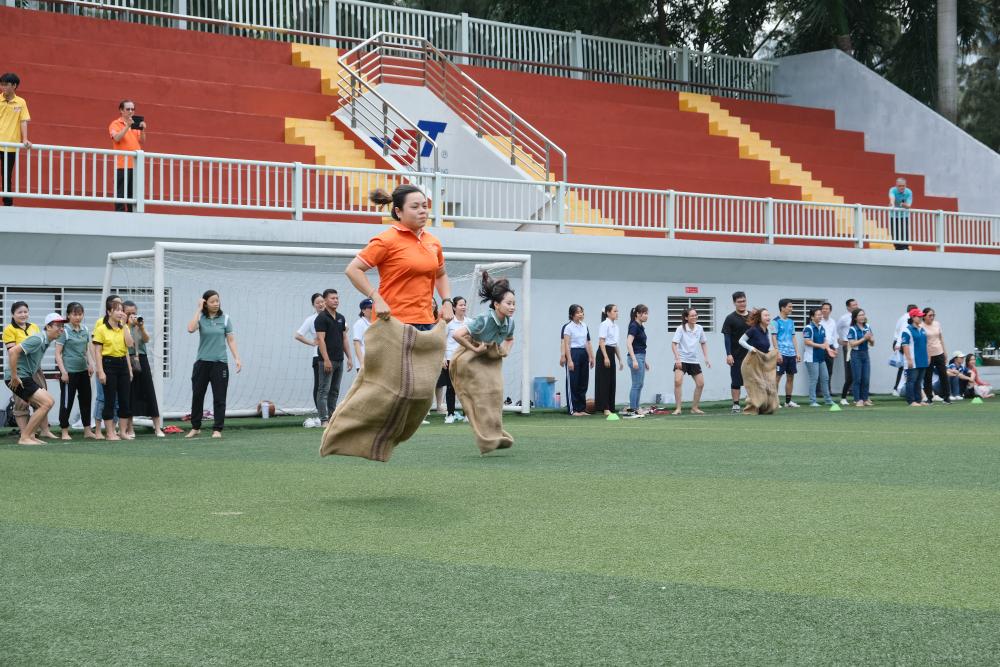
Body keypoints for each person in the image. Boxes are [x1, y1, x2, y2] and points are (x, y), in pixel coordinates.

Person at [327, 185, 453, 462]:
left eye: (424, 205)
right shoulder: (387, 240)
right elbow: (353, 269)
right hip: (392, 325)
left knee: (420, 394)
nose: (422, 211)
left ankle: (385, 439)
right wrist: (375, 296)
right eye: (415, 206)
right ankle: (343, 430)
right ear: (398, 211)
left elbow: (441, 274)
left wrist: (446, 300)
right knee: (388, 389)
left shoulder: (433, 241)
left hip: (426, 326)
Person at [449, 272, 516, 454]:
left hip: (490, 358)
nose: (512, 307)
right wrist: (474, 348)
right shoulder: (483, 320)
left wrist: (506, 351)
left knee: (496, 394)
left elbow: (510, 339)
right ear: (496, 304)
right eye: (508, 303)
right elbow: (457, 335)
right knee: (476, 397)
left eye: (513, 304)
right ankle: (484, 438)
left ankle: (494, 434)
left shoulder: (510, 323)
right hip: (469, 358)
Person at [186, 290, 242, 438]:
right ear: (205, 303)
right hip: (202, 363)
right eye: (212, 301)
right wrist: (198, 309)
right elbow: (190, 329)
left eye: (217, 301)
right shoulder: (201, 318)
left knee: (219, 397)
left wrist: (237, 358)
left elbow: (231, 340)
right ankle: (195, 427)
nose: (216, 304)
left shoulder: (225, 319)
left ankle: (217, 429)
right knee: (197, 395)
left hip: (220, 364)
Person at [4, 313, 65, 445]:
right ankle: (25, 437)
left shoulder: (46, 340)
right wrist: (14, 376)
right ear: (48, 327)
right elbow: (13, 351)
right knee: (46, 403)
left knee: (47, 402)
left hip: (25, 376)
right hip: (18, 377)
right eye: (58, 326)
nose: (61, 329)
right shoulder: (38, 339)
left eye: (62, 326)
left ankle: (30, 435)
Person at [93, 297, 135, 440]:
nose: (120, 313)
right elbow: (98, 352)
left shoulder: (124, 327)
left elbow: (129, 345)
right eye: (116, 310)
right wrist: (100, 371)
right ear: (109, 312)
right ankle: (110, 432)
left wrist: (124, 326)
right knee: (109, 399)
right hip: (108, 364)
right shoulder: (101, 329)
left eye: (121, 310)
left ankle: (122, 432)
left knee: (124, 400)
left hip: (122, 364)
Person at [54, 302, 96, 440]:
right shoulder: (64, 331)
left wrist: (91, 364)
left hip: (83, 371)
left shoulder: (85, 329)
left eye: (80, 314)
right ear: (68, 315)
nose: (78, 317)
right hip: (69, 372)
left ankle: (87, 430)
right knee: (67, 402)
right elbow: (58, 354)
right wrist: (63, 372)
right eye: (74, 314)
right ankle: (65, 431)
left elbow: (86, 350)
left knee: (86, 400)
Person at [123, 300, 165, 438]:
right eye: (128, 313)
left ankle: (157, 427)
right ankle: (130, 428)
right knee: (129, 394)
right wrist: (126, 324)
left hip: (142, 358)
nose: (132, 316)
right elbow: (127, 342)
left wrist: (140, 327)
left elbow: (146, 339)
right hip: (127, 359)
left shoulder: (138, 326)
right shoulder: (121, 327)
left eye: (134, 313)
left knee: (149, 391)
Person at [314, 288, 352, 427]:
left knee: (334, 391)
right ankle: (324, 419)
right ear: (325, 300)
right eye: (332, 298)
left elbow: (344, 338)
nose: (336, 300)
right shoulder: (321, 318)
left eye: (337, 298)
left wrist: (349, 357)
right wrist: (326, 360)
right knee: (324, 390)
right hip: (326, 361)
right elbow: (321, 340)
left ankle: (332, 418)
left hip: (339, 360)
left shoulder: (341, 317)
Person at [90, 294, 123, 439]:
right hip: (104, 366)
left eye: (121, 306)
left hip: (118, 367)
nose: (119, 310)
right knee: (102, 398)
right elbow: (94, 345)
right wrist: (98, 367)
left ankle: (112, 429)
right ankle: (97, 429)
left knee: (116, 399)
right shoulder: (100, 324)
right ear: (109, 309)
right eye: (116, 306)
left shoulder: (122, 326)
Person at [671, 307, 711, 414]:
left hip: (694, 360)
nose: (694, 317)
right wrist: (677, 359)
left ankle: (694, 407)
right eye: (692, 315)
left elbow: (703, 342)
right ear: (686, 317)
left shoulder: (700, 328)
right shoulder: (680, 328)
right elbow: (674, 344)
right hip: (682, 359)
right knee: (677, 381)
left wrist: (706, 358)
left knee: (700, 383)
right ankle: (678, 408)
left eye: (695, 315)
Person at [108, 100, 146, 213]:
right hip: (122, 164)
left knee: (133, 192)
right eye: (128, 109)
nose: (131, 111)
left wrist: (143, 130)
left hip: (135, 165)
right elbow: (117, 138)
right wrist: (127, 126)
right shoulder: (115, 124)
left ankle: (131, 213)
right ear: (121, 110)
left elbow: (142, 141)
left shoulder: (135, 124)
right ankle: (120, 214)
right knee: (121, 191)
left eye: (132, 109)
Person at [738, 308, 777, 415]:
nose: (768, 317)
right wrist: (750, 348)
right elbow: (741, 341)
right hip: (750, 363)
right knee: (756, 386)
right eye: (765, 315)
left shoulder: (766, 331)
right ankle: (750, 409)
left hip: (760, 363)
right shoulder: (753, 329)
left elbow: (764, 347)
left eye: (769, 315)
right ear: (760, 318)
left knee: (765, 386)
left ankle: (764, 408)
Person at [1, 72, 31, 207]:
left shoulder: (21, 102)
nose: (3, 87)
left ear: (14, 86)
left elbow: (23, 121)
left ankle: (7, 204)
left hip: (10, 145)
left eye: (6, 85)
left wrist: (25, 139)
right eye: (1, 84)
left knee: (6, 176)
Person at [294, 293, 324, 428]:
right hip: (318, 357)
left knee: (331, 388)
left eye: (323, 301)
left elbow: (345, 328)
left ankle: (331, 413)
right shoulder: (311, 319)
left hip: (334, 356)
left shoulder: (333, 316)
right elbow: (298, 335)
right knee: (320, 386)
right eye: (318, 302)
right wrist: (313, 343)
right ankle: (322, 414)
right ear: (313, 305)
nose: (321, 304)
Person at [562, 304, 594, 416]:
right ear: (572, 314)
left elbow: (586, 342)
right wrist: (569, 360)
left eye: (582, 312)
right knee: (573, 382)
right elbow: (566, 344)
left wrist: (591, 357)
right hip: (573, 353)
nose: (581, 314)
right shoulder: (568, 327)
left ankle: (581, 408)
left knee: (583, 382)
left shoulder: (584, 326)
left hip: (583, 354)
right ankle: (573, 409)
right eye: (578, 312)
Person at [721, 291, 750, 413]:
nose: (742, 304)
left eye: (743, 301)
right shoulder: (730, 318)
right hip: (736, 355)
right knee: (736, 380)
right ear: (734, 303)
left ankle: (752, 402)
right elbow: (727, 337)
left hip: (751, 354)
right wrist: (728, 354)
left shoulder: (753, 316)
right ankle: (736, 404)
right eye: (739, 302)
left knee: (752, 379)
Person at [802, 307, 836, 407]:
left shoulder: (822, 328)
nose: (820, 316)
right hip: (811, 358)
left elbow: (825, 341)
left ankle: (828, 400)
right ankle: (813, 401)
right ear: (812, 317)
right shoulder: (808, 328)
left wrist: (829, 350)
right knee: (814, 379)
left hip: (821, 358)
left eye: (821, 314)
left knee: (825, 378)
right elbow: (807, 341)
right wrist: (820, 345)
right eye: (818, 314)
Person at [770, 298, 801, 408]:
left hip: (791, 354)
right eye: (790, 307)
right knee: (777, 377)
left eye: (792, 307)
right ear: (782, 308)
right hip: (781, 354)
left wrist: (797, 352)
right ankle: (774, 401)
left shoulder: (791, 322)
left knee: (790, 377)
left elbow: (793, 337)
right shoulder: (775, 321)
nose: (791, 309)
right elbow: (773, 337)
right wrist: (777, 352)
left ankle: (788, 402)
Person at [441, 296, 467, 424]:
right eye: (461, 305)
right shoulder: (449, 324)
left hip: (466, 360)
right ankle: (450, 414)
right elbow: (442, 341)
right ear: (454, 307)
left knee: (466, 388)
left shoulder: (470, 322)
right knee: (451, 387)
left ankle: (467, 414)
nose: (463, 307)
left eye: (464, 305)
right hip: (451, 359)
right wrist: (443, 358)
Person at [594, 304, 623, 416]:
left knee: (611, 381)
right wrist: (605, 357)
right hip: (603, 353)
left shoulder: (615, 327)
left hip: (611, 352)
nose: (617, 313)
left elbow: (614, 344)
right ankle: (604, 407)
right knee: (604, 381)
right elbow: (602, 342)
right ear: (608, 313)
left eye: (617, 311)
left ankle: (611, 406)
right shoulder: (604, 324)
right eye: (615, 311)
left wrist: (619, 359)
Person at [899, 307, 929, 406]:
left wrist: (928, 357)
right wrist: (909, 359)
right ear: (913, 317)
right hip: (913, 360)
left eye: (921, 316)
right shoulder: (907, 330)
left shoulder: (922, 330)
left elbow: (926, 344)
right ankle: (911, 401)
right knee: (911, 381)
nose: (921, 318)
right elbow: (905, 345)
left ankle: (919, 400)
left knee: (919, 382)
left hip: (922, 359)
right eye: (919, 316)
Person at [921, 308, 951, 404]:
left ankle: (946, 397)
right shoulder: (921, 326)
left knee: (944, 375)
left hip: (939, 352)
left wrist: (945, 352)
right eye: (930, 315)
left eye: (933, 315)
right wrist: (928, 355)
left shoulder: (937, 324)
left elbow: (941, 338)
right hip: (928, 354)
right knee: (928, 377)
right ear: (924, 316)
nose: (932, 317)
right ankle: (929, 398)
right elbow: (923, 343)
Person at [624, 304, 649, 418]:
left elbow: (639, 345)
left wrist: (645, 361)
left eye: (647, 313)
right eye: (644, 313)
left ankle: (636, 408)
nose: (646, 316)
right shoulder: (634, 326)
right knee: (636, 384)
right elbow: (629, 343)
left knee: (639, 384)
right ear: (638, 314)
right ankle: (633, 410)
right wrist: (634, 360)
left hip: (640, 357)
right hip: (635, 357)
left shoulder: (640, 326)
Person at [846, 308, 875, 407]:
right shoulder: (852, 329)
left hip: (865, 353)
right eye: (860, 315)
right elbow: (852, 343)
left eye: (863, 314)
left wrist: (870, 340)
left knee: (866, 378)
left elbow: (872, 343)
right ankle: (857, 399)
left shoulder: (867, 327)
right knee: (857, 378)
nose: (862, 317)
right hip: (856, 354)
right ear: (855, 318)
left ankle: (865, 398)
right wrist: (864, 338)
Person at [891, 304, 918, 395]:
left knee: (903, 366)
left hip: (899, 341)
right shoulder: (907, 318)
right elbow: (903, 331)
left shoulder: (902, 317)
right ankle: (898, 388)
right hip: (902, 342)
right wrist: (899, 344)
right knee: (906, 365)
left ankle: (898, 387)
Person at [836, 298, 858, 405]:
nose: (855, 306)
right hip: (848, 346)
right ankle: (846, 393)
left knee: (859, 372)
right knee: (849, 371)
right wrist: (839, 340)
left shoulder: (859, 318)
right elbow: (836, 329)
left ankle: (858, 396)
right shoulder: (844, 318)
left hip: (859, 346)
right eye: (853, 305)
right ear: (848, 307)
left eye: (856, 304)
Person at [818, 302, 838, 399]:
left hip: (831, 347)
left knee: (829, 370)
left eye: (827, 308)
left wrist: (836, 348)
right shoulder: (818, 321)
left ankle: (828, 390)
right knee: (819, 370)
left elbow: (835, 336)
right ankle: (819, 391)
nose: (825, 310)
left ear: (830, 310)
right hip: (820, 347)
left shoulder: (833, 321)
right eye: (823, 308)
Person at [889, 177, 912, 251]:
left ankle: (905, 247)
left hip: (904, 215)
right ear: (896, 185)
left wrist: (904, 205)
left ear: (905, 185)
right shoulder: (892, 190)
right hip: (894, 215)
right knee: (894, 231)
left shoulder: (908, 192)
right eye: (899, 186)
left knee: (904, 231)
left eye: (903, 186)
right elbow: (892, 198)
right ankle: (897, 248)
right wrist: (892, 204)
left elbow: (909, 205)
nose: (901, 187)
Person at [352, 298, 373, 371]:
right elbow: (356, 343)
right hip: (364, 364)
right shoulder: (360, 323)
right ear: (363, 310)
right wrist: (362, 363)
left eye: (374, 307)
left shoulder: (375, 323)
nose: (373, 310)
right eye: (370, 307)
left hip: (374, 363)